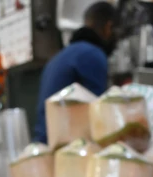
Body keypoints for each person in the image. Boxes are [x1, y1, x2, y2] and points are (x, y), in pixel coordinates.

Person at [33, 1, 117, 143]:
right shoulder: (93, 54)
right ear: (109, 27)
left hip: (44, 145)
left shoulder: (58, 57)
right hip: (67, 151)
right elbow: (100, 117)